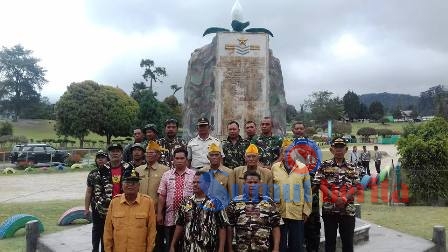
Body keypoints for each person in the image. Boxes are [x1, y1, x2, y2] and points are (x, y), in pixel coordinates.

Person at [314, 138, 362, 252]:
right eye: (336, 147)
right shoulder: (324, 165)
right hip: (329, 209)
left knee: (348, 242)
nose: (339, 150)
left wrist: (344, 198)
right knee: (330, 242)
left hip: (348, 210)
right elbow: (319, 183)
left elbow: (356, 185)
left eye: (341, 147)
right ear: (331, 150)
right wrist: (334, 198)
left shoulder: (353, 166)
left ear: (346, 150)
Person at [170, 171, 229, 252]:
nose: (195, 184)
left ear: (207, 184)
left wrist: (221, 248)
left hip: (209, 248)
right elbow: (179, 224)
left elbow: (222, 227)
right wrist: (173, 245)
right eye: (194, 182)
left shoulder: (216, 203)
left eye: (199, 182)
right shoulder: (185, 202)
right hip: (188, 247)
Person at [226, 170, 282, 252]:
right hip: (241, 249)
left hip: (262, 249)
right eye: (249, 182)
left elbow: (276, 226)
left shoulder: (269, 203)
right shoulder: (235, 202)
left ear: (260, 184)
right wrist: (230, 248)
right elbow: (229, 226)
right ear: (244, 183)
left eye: (255, 182)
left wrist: (276, 248)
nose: (252, 185)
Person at [272, 139, 312, 252]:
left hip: (297, 211)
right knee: (281, 245)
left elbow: (308, 191)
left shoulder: (303, 168)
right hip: (279, 212)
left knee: (297, 245)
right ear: (281, 154)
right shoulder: (275, 168)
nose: (288, 154)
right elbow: (271, 189)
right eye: (285, 152)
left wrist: (306, 211)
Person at [103, 169, 156, 252]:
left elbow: (151, 231)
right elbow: (108, 230)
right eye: (127, 182)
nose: (130, 185)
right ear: (122, 185)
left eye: (134, 183)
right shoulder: (115, 202)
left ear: (139, 186)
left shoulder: (148, 202)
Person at [158, 148, 196, 251]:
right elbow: (162, 195)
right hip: (170, 218)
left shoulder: (194, 175)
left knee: (186, 246)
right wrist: (160, 213)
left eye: (182, 158)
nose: (179, 161)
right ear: (173, 160)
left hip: (189, 218)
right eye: (177, 158)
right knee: (171, 246)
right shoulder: (167, 175)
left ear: (186, 160)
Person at [135, 141, 170, 252]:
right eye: (147, 152)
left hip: (157, 213)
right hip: (140, 212)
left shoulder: (165, 170)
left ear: (158, 155)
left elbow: (167, 193)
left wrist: (161, 212)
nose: (149, 154)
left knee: (157, 241)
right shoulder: (138, 170)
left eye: (152, 152)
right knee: (141, 239)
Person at [84, 150, 109, 252]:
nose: (100, 160)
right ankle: (95, 249)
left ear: (107, 159)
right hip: (96, 208)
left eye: (103, 157)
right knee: (96, 230)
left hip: (109, 207)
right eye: (98, 158)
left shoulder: (111, 172)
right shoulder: (92, 173)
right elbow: (89, 192)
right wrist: (86, 208)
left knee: (106, 231)